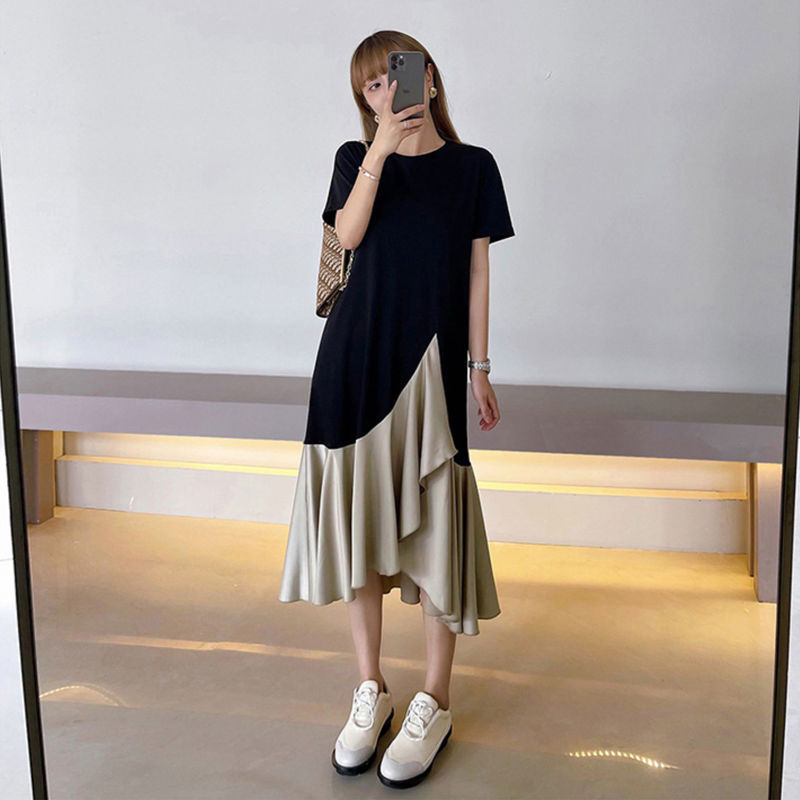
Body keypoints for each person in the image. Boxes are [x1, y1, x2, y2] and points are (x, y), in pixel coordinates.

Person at [278, 30, 515, 789]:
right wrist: (379, 149)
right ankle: (370, 687)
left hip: (433, 367)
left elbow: (477, 271)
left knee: (438, 523)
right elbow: (346, 235)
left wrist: (481, 367)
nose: (386, 93)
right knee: (360, 528)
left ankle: (434, 699)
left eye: (395, 77)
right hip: (353, 364)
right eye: (371, 87)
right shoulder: (355, 159)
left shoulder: (474, 168)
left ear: (429, 80)